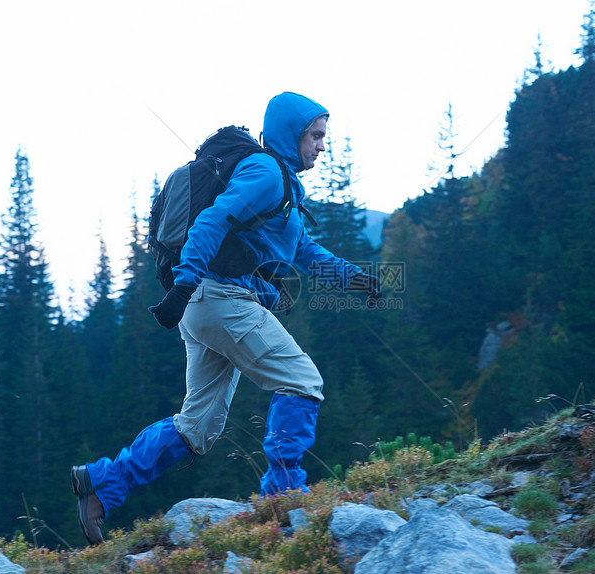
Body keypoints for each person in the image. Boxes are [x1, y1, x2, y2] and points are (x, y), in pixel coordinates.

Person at [70, 92, 381, 545]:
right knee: (301, 382)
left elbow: (304, 251)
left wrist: (355, 279)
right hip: (218, 298)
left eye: (322, 137)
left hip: (208, 304)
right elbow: (211, 221)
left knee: (196, 428)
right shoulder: (266, 173)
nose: (321, 145)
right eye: (315, 136)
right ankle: (283, 499)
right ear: (291, 134)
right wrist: (184, 283)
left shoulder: (283, 185)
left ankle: (103, 483)